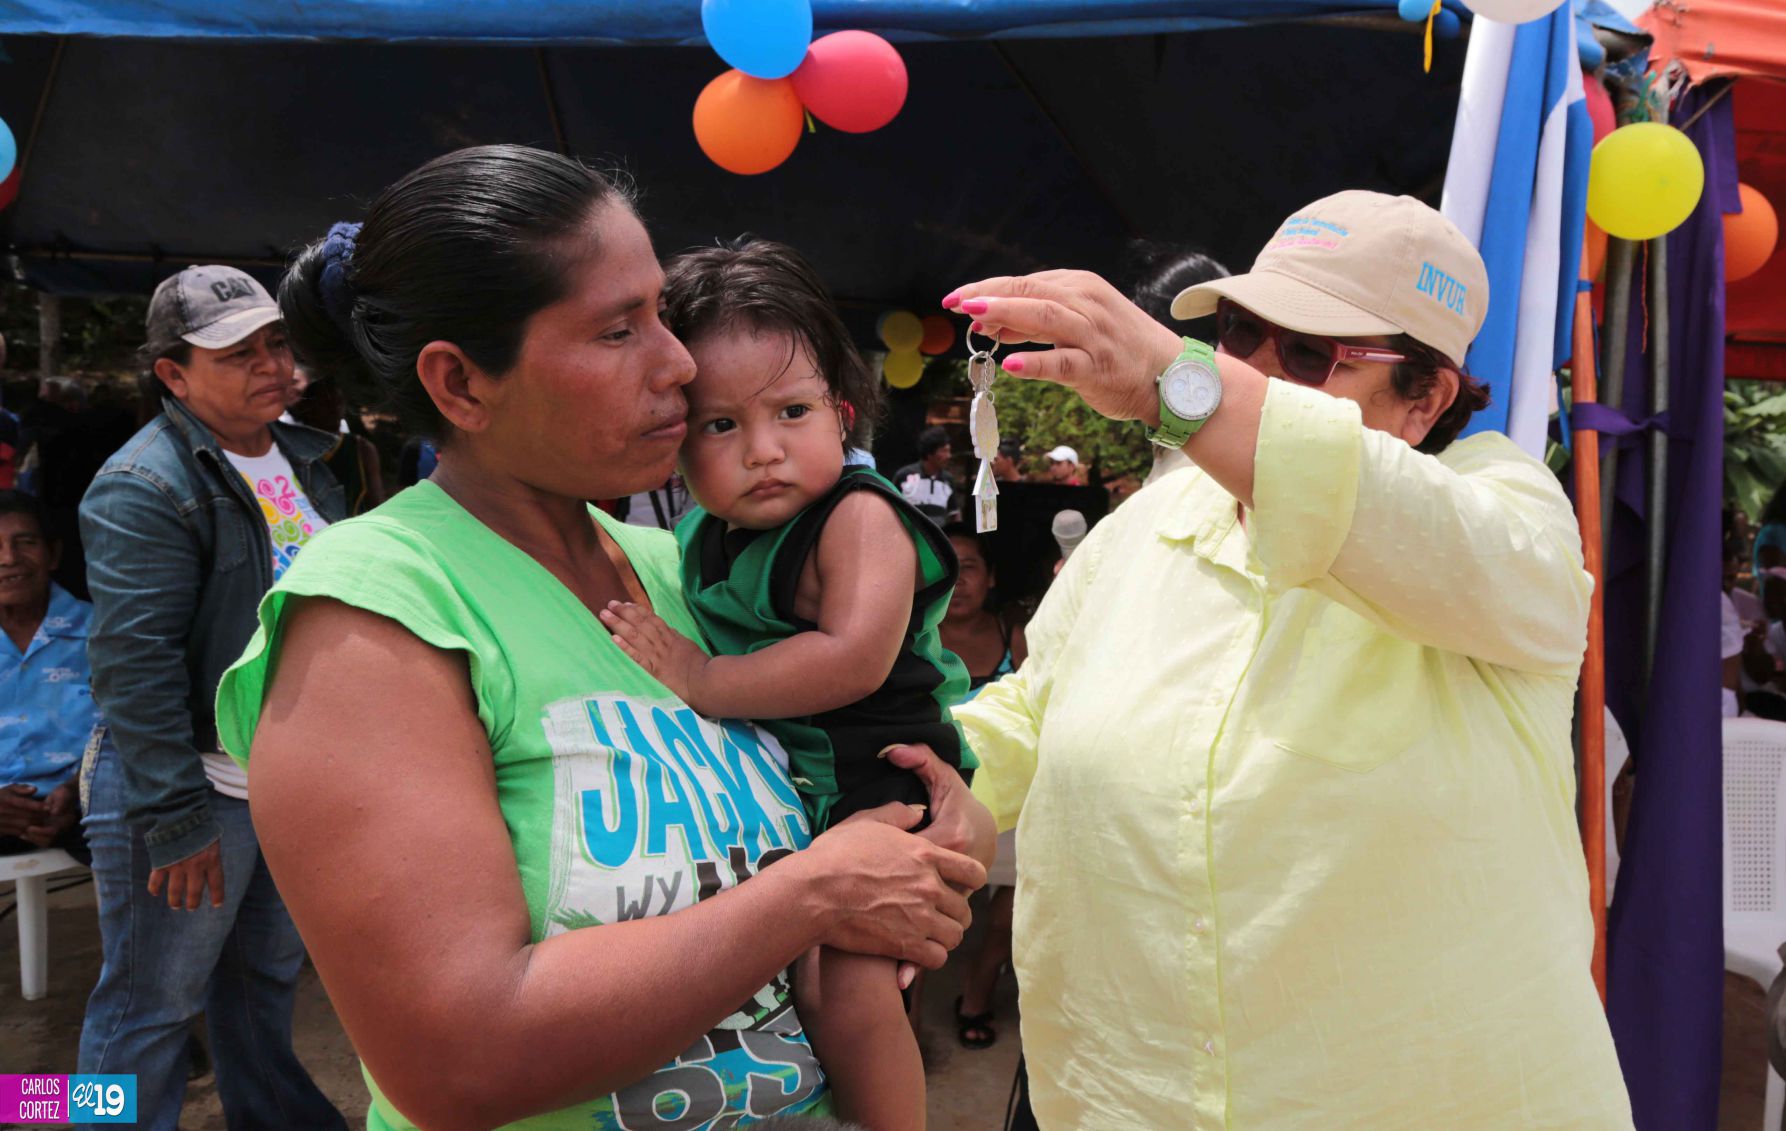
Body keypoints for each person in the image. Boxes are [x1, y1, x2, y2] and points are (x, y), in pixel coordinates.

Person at [213, 145, 991, 1131]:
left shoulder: (680, 573)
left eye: (662, 311)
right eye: (619, 329)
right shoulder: (373, 618)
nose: (678, 361)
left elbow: (855, 760)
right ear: (459, 385)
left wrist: (944, 826)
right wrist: (811, 896)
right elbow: (455, 1062)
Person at [944, 190, 1633, 1127]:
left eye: (1307, 353)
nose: (1248, 369)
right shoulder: (1151, 521)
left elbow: (1383, 505)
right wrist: (913, 791)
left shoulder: (1505, 512)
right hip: (1128, 1093)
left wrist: (1170, 381)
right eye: (1237, 332)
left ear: (1425, 399)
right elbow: (1031, 712)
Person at [602, 237, 975, 1130]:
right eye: (720, 425)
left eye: (792, 411)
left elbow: (854, 657)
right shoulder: (701, 538)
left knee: (846, 984)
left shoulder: (857, 517)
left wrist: (701, 677)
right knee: (803, 974)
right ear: (676, 447)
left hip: (880, 775)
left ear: (842, 417)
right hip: (809, 784)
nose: (763, 450)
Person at [77, 265, 347, 1131]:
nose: (269, 363)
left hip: (277, 775)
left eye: (274, 342)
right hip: (189, 783)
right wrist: (175, 817)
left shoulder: (310, 457)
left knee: (261, 983)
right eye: (236, 352)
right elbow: (133, 663)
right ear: (174, 375)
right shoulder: (143, 484)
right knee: (147, 1005)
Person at [938, 524, 1027, 1051]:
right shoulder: (909, 638)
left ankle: (975, 996)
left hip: (1012, 805)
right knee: (922, 914)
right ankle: (904, 1026)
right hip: (938, 801)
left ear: (990, 577)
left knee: (1010, 913)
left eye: (969, 567)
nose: (958, 581)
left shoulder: (1013, 635)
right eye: (946, 569)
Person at [0, 489, 94, 861]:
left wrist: (75, 792)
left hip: (87, 809)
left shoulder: (101, 632)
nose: (9, 559)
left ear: (53, 554)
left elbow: (128, 731)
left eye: (25, 543)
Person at [288, 365, 388, 516]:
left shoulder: (361, 448)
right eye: (325, 404)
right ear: (308, 409)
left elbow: (376, 501)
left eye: (339, 402)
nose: (334, 409)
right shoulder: (291, 447)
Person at [893, 425, 958, 522]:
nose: (948, 456)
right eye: (944, 451)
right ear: (929, 454)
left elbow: (954, 514)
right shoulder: (904, 476)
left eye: (949, 451)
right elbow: (892, 509)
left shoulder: (948, 480)